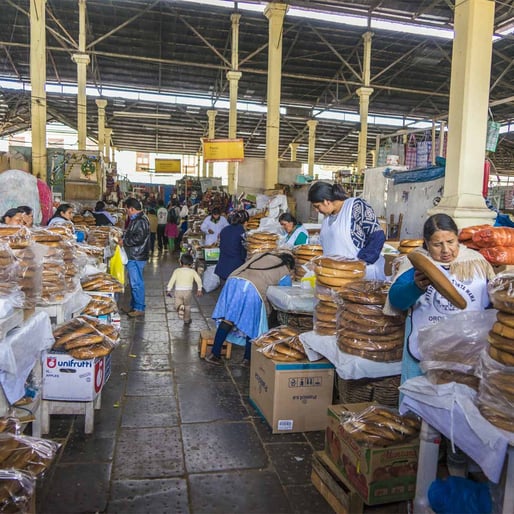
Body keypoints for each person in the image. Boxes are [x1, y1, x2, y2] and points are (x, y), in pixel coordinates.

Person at [385, 213, 494, 385]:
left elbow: (489, 305)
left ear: (457, 238)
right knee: (418, 402)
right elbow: (396, 301)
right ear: (427, 244)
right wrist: (415, 287)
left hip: (465, 353)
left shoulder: (475, 262)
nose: (445, 250)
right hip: (422, 352)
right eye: (437, 244)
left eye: (450, 242)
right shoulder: (415, 264)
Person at [205, 251, 295, 366]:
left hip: (234, 281)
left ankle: (214, 354)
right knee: (252, 324)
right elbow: (285, 291)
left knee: (228, 319)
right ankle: (247, 359)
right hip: (252, 289)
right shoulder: (284, 271)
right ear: (289, 265)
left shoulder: (262, 255)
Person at [307, 181, 386, 280]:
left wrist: (361, 263)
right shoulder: (327, 218)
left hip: (362, 276)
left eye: (317, 206)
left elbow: (377, 235)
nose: (316, 210)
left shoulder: (355, 206)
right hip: (337, 277)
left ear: (326, 201)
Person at [122, 198, 151, 317]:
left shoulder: (141, 220)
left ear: (131, 209)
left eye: (126, 209)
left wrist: (124, 242)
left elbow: (138, 239)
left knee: (136, 283)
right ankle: (134, 306)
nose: (126, 211)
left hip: (136, 255)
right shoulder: (137, 219)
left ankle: (139, 308)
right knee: (134, 282)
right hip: (134, 255)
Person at [166, 253, 203, 325]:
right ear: (192, 264)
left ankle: (179, 307)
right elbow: (198, 280)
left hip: (178, 291)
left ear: (180, 262)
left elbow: (172, 281)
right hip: (188, 292)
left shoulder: (176, 271)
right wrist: (199, 289)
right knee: (187, 306)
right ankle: (187, 320)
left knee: (177, 304)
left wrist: (168, 289)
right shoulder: (193, 271)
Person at [214, 210, 248, 281]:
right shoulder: (242, 232)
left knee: (224, 290)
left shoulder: (224, 230)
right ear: (245, 222)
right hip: (235, 268)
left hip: (222, 267)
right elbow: (244, 251)